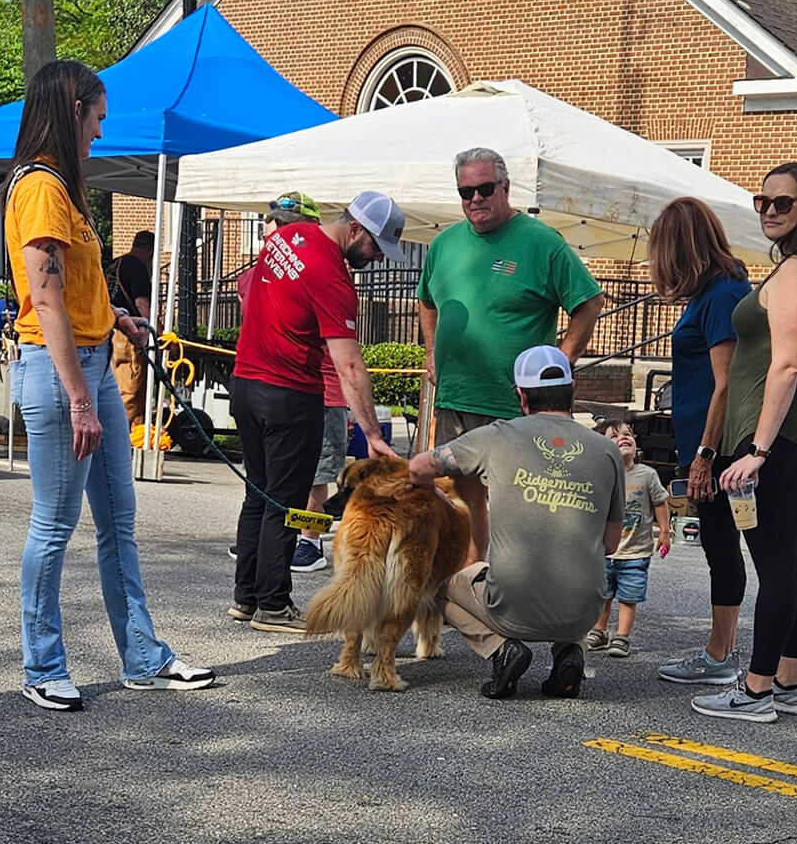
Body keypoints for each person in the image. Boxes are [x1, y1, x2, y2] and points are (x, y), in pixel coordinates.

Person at [3, 60, 214, 712]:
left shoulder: (63, 190)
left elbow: (77, 290)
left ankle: (142, 657)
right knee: (55, 524)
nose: (100, 130)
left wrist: (117, 315)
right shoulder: (40, 187)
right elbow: (45, 297)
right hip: (59, 372)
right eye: (96, 117)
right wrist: (76, 396)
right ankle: (43, 665)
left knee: (117, 524)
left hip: (90, 363)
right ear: (72, 109)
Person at [692, 162, 797, 723]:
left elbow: (785, 367)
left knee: (777, 566)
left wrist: (756, 452)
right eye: (762, 201)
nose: (769, 211)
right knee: (793, 562)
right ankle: (788, 682)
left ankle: (757, 691)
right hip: (793, 440)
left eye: (783, 203)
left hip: (782, 442)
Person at [417, 147, 605, 562]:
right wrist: (431, 352)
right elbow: (427, 301)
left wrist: (563, 361)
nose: (476, 199)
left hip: (513, 403)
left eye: (485, 188)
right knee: (462, 499)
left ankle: (517, 585)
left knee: (516, 501)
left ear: (505, 187)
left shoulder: (541, 243)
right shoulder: (445, 244)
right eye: (466, 192)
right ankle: (472, 580)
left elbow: (589, 302)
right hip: (455, 396)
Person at [229, 191, 403, 633]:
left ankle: (246, 597)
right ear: (357, 229)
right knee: (286, 502)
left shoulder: (288, 237)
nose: (378, 260)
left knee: (258, 494)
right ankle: (273, 603)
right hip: (290, 393)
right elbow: (348, 364)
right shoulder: (334, 279)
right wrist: (373, 434)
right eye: (377, 248)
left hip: (247, 383)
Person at [409, 345, 624, 700]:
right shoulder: (607, 450)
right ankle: (570, 653)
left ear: (521, 396)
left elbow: (418, 467)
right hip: (584, 612)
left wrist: (433, 491)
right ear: (573, 389)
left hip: (510, 606)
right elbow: (612, 544)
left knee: (442, 588)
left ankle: (500, 649)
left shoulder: (497, 436)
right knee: (579, 575)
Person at [647, 198, 752, 686]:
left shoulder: (721, 295)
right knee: (719, 543)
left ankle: (720, 655)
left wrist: (706, 457)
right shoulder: (715, 290)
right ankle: (722, 653)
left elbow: (726, 382)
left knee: (723, 544)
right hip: (709, 442)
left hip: (723, 446)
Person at [230, 192, 346, 575]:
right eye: (276, 224)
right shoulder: (267, 264)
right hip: (288, 387)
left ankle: (311, 541)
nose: (280, 231)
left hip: (324, 389)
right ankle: (273, 569)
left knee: (316, 478)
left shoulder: (317, 264)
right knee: (276, 491)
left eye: (289, 225)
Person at [585, 419, 670, 658]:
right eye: (614, 436)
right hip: (605, 550)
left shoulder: (647, 475)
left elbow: (660, 503)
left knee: (629, 596)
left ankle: (621, 636)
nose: (623, 438)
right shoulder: (600, 476)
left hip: (636, 552)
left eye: (627, 434)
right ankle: (599, 631)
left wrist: (664, 532)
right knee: (603, 593)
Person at [108, 230, 154, 428]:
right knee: (131, 389)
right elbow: (142, 304)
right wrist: (158, 330)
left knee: (115, 387)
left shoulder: (115, 264)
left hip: (108, 332)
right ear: (150, 250)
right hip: (129, 335)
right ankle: (130, 433)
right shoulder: (136, 267)